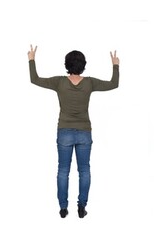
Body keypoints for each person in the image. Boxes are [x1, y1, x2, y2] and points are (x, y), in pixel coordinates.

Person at [28, 45, 120, 219]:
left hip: (64, 132)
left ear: (67, 64)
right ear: (83, 65)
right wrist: (115, 65)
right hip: (84, 132)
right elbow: (114, 84)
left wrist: (32, 59)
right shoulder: (90, 82)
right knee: (84, 170)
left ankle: (63, 208)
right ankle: (81, 207)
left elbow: (35, 79)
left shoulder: (59, 82)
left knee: (63, 170)